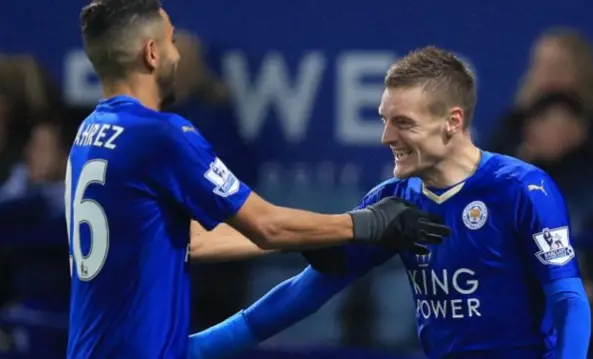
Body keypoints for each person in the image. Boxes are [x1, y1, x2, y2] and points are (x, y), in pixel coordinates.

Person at [65, 1, 450, 358]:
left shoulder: (89, 134)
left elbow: (186, 240)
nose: (177, 54)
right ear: (151, 53)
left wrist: (312, 237)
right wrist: (367, 223)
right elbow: (265, 225)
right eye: (172, 42)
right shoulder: (160, 134)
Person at [188, 47, 592, 359]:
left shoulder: (522, 189)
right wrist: (199, 349)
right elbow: (303, 293)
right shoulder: (391, 203)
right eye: (384, 119)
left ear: (452, 121)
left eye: (403, 123)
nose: (386, 137)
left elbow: (568, 299)